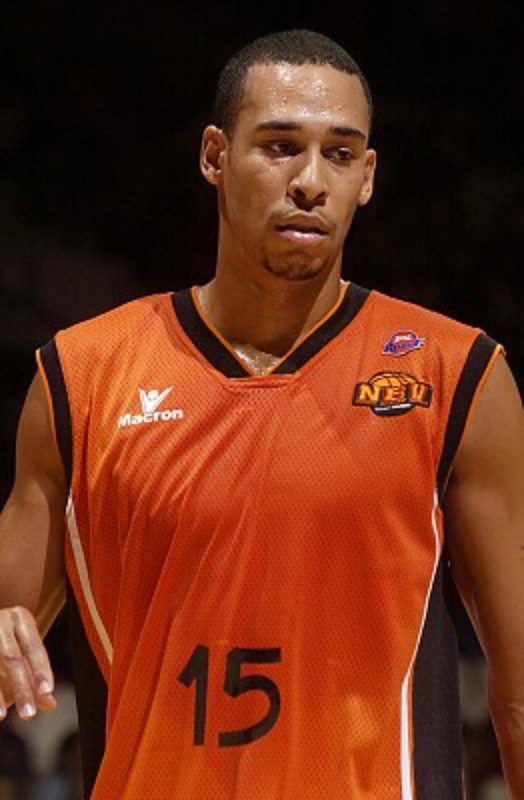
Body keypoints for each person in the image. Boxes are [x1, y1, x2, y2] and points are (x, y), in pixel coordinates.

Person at [0, 28, 522, 799]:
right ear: (214, 156)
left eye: (340, 154)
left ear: (368, 177)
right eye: (279, 147)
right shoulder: (81, 377)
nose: (310, 181)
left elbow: (517, 692)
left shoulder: (456, 375)